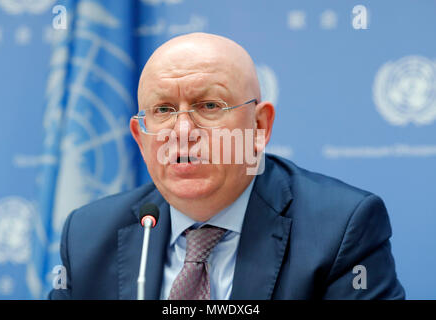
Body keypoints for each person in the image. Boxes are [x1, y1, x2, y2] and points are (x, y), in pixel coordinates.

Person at [49, 32, 405, 300]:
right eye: (163, 111)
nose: (183, 133)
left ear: (259, 127)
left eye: (209, 106)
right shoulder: (87, 236)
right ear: (141, 138)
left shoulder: (342, 230)